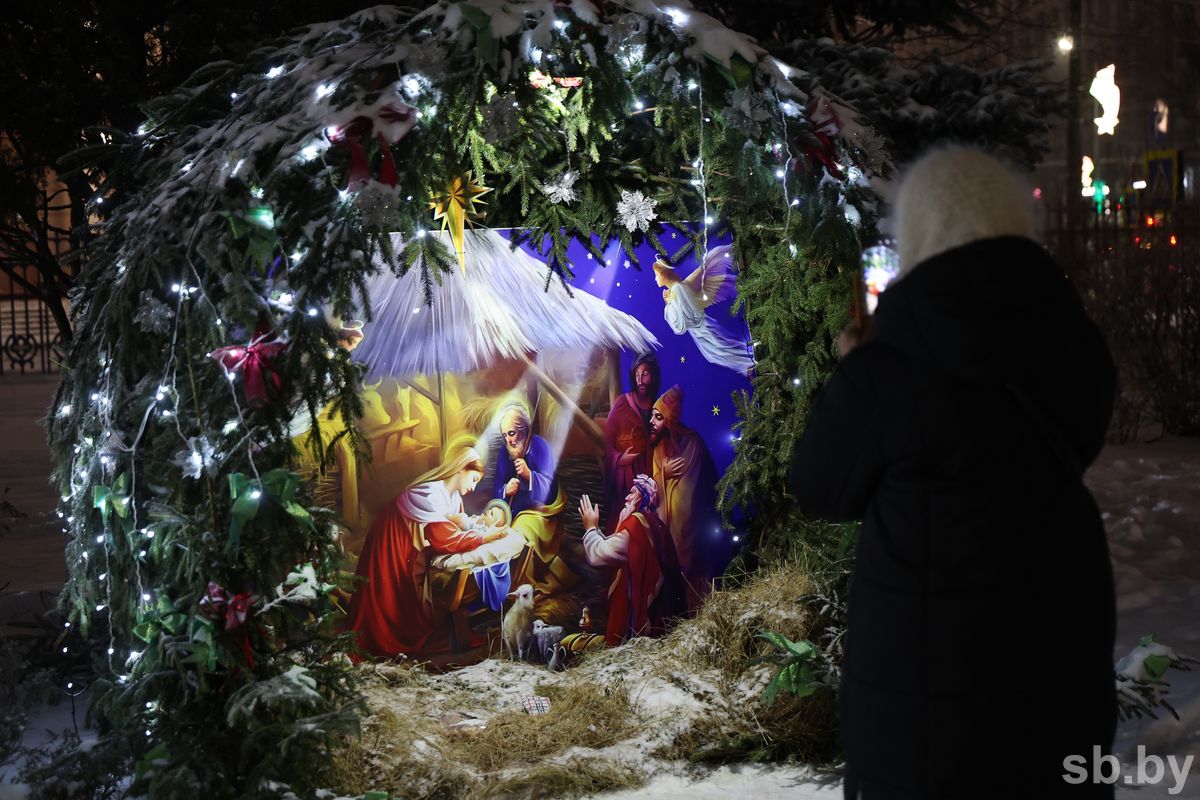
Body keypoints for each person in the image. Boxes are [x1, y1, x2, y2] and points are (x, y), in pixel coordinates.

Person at [788, 146, 1117, 799]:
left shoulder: (889, 368)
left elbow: (819, 485)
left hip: (926, 712)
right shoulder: (1074, 347)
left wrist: (855, 373)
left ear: (921, 232)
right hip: (1059, 676)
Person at [344, 437, 503, 658]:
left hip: (410, 543)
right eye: (474, 479)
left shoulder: (454, 497)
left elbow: (454, 527)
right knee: (390, 594)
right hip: (393, 538)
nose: (474, 486)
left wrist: (471, 528)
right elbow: (445, 538)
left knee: (406, 596)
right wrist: (484, 537)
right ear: (460, 468)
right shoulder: (431, 493)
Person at [577, 474, 687, 645]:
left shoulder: (636, 525)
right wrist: (596, 529)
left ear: (642, 498)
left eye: (632, 493)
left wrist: (590, 527)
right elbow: (617, 546)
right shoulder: (655, 524)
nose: (627, 498)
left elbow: (599, 554)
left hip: (638, 614)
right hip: (658, 610)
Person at [649, 384, 723, 610]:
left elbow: (688, 495)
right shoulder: (658, 449)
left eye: (658, 417)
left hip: (689, 529)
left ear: (670, 421)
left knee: (689, 569)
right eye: (652, 415)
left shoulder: (693, 444)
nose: (652, 422)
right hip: (665, 523)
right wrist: (663, 474)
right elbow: (653, 488)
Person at [653, 245, 754, 375]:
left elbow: (681, 326)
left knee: (721, 349)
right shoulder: (675, 290)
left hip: (702, 329)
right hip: (699, 331)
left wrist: (668, 305)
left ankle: (749, 363)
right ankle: (748, 365)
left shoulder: (678, 289)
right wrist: (669, 303)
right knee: (717, 352)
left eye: (656, 275)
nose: (655, 279)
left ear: (663, 274)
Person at [603, 352, 660, 531]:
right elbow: (607, 442)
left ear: (653, 376)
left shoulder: (658, 406)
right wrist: (620, 459)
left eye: (645, 374)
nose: (640, 380)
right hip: (627, 476)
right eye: (637, 375)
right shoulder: (622, 403)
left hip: (651, 472)